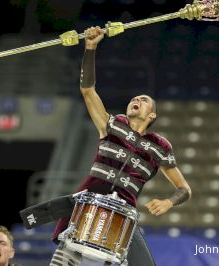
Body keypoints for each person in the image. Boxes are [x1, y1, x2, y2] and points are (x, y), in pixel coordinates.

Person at [47, 26, 192, 266]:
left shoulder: (160, 146)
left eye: (143, 100)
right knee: (64, 259)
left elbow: (185, 190)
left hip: (123, 214)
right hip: (87, 201)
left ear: (152, 115)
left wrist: (168, 202)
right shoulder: (110, 124)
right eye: (134, 98)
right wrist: (90, 48)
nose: (136, 100)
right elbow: (87, 90)